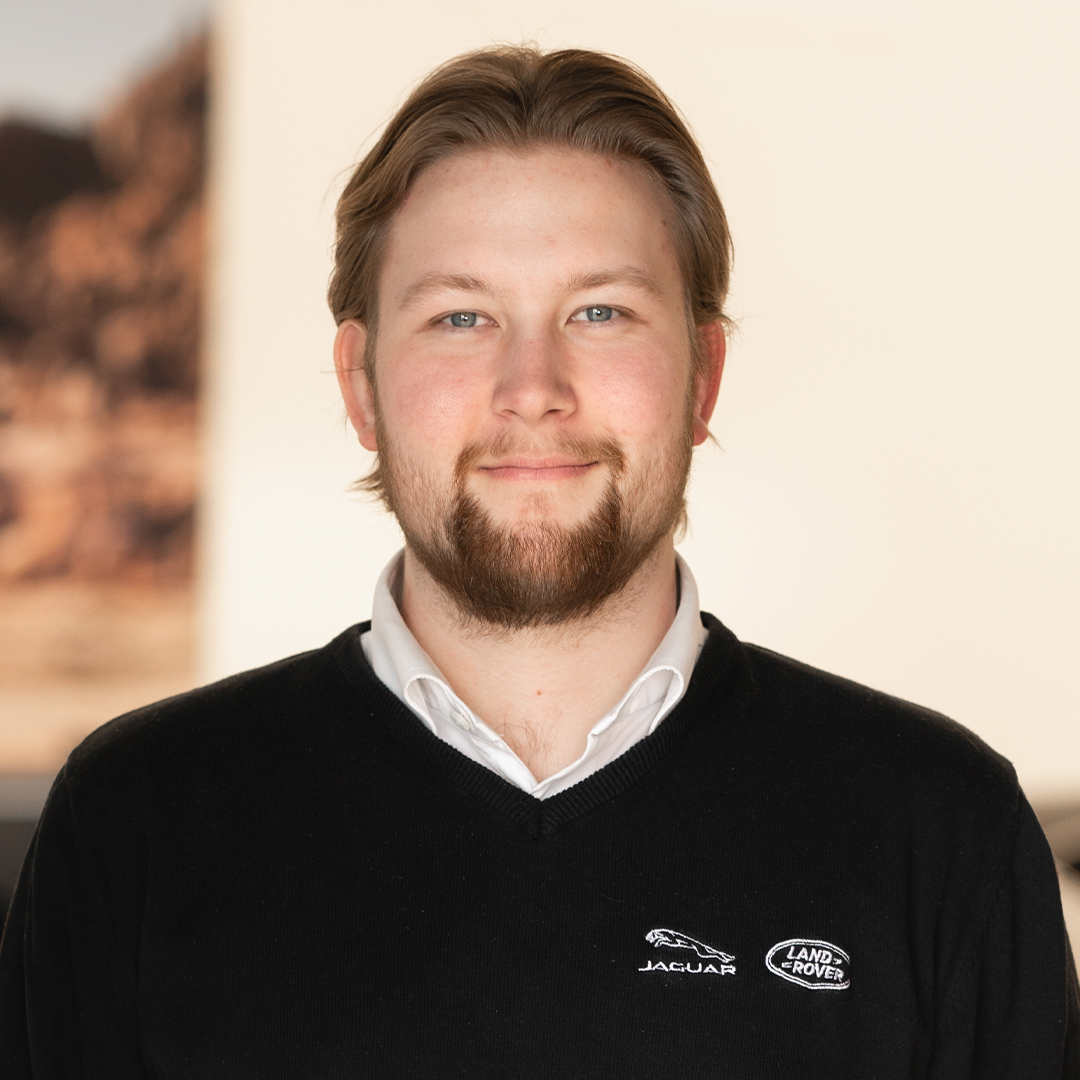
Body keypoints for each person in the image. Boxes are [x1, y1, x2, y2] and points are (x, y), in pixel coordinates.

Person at [0, 44, 1076, 1079]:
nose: (533, 388)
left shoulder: (941, 830)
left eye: (601, 312)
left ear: (702, 376)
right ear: (361, 385)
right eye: (461, 317)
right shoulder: (137, 823)